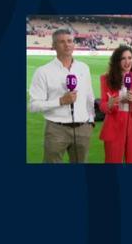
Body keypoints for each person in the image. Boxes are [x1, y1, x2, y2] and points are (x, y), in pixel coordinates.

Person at [28, 29, 96, 163]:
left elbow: (89, 96)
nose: (67, 45)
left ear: (74, 44)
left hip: (83, 128)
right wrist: (60, 101)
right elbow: (32, 105)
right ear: (53, 45)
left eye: (70, 41)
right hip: (56, 129)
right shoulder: (43, 71)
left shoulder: (84, 68)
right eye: (62, 42)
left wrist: (91, 119)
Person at [99, 45, 132, 163]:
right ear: (117, 61)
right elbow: (102, 106)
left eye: (130, 58)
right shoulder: (106, 79)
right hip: (114, 125)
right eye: (123, 58)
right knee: (112, 162)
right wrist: (109, 104)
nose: (127, 62)